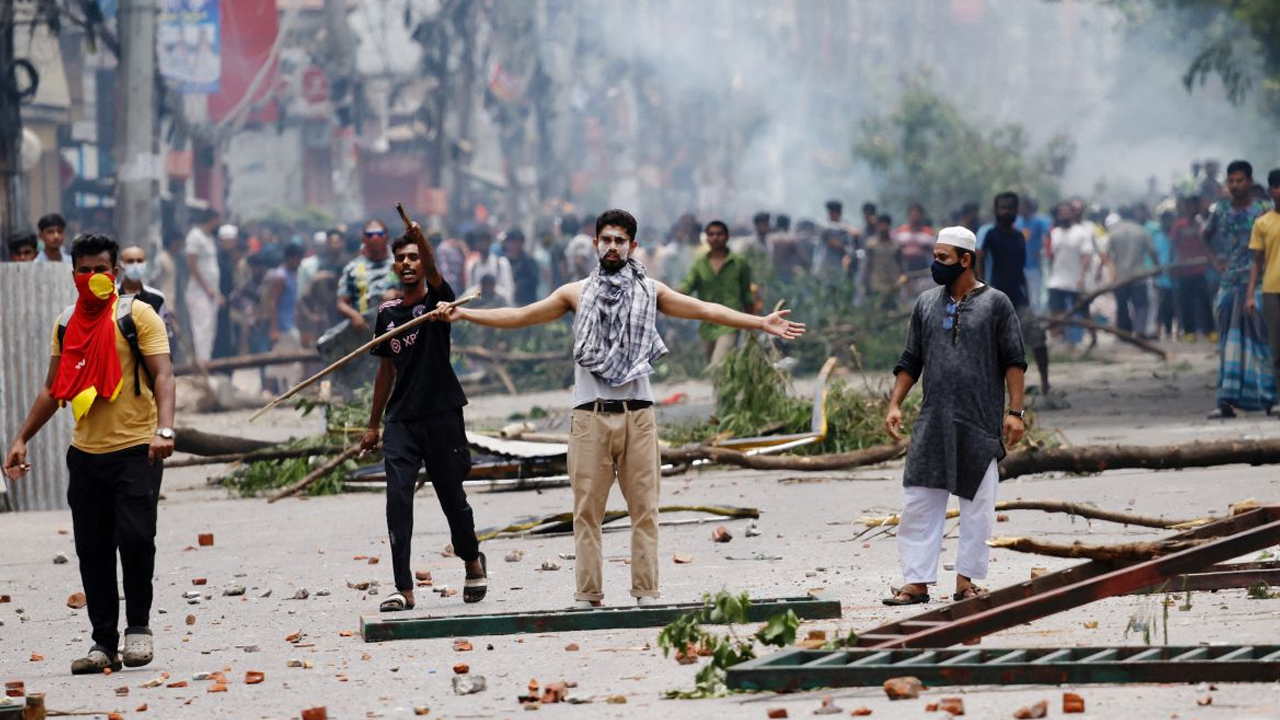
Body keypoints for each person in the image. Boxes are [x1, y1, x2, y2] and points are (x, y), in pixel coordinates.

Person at [432, 209, 805, 608]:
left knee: (644, 509)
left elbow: (704, 309)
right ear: (596, 244)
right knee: (587, 513)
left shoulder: (652, 290)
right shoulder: (573, 293)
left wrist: (759, 322)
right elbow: (521, 316)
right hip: (589, 416)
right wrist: (464, 313)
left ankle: (646, 592)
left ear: (632, 246)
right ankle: (588, 595)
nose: (612, 247)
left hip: (638, 415)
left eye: (620, 241)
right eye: (606, 239)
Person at [4, 233, 175, 675]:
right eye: (85, 270)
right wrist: (22, 437)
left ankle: (138, 628)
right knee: (93, 550)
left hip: (137, 449)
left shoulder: (138, 316)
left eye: (101, 269)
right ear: (73, 274)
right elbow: (52, 388)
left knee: (136, 540)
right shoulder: (66, 322)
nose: (93, 277)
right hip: (85, 454)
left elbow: (164, 377)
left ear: (114, 273)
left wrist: (165, 429)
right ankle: (103, 642)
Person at [882, 226, 1026, 606]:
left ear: (966, 259)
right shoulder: (926, 303)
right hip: (932, 421)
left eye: (942, 258)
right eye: (934, 256)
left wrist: (1015, 412)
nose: (935, 264)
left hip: (978, 422)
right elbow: (911, 359)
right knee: (918, 501)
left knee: (978, 508)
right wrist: (895, 403)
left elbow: (1014, 361)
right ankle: (916, 582)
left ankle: (967, 582)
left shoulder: (997, 304)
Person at [360, 225, 487, 612]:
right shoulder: (386, 314)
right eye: (401, 258)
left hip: (442, 413)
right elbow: (385, 372)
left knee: (452, 497)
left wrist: (423, 240)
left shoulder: (439, 303)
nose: (407, 263)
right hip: (402, 419)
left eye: (414, 256)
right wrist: (373, 424)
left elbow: (434, 273)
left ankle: (471, 559)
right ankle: (404, 588)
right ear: (394, 267)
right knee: (397, 498)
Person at [1204, 160, 1276, 417]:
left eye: (1240, 180)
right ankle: (1226, 400)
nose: (1235, 185)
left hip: (1261, 282)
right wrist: (1217, 264)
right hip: (1231, 283)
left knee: (1264, 340)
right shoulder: (1221, 210)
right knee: (1229, 342)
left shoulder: (1264, 209)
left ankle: (1270, 398)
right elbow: (1206, 237)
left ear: (1249, 181)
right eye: (1231, 181)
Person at [978, 192, 1052, 397]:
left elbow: (1020, 269)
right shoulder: (989, 235)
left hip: (1018, 298)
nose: (1007, 211)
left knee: (1037, 336)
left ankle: (1045, 383)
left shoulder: (1019, 236)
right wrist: (982, 288)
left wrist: (1026, 293)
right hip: (993, 298)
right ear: (995, 210)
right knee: (991, 345)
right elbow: (979, 260)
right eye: (1003, 207)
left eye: (1011, 207)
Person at [681, 220, 753, 365]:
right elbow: (687, 287)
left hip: (730, 321)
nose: (715, 237)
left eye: (719, 234)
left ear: (726, 237)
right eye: (711, 234)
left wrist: (752, 323)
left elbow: (747, 294)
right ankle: (727, 388)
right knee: (714, 366)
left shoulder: (739, 263)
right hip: (707, 322)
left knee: (718, 364)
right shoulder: (699, 265)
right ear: (706, 238)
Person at [1246, 168, 1280, 417]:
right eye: (1276, 186)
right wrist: (1249, 295)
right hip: (1271, 289)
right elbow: (1256, 262)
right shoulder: (1263, 222)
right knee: (1276, 347)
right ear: (1270, 191)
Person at [1045, 203, 1099, 347]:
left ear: (1072, 214)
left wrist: (1081, 276)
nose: (1064, 215)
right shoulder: (1055, 233)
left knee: (1083, 311)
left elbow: (1086, 256)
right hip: (1057, 280)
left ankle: (1093, 339)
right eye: (1061, 213)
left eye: (1067, 212)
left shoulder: (1081, 233)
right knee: (1056, 311)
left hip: (1075, 281)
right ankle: (1057, 341)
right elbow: (1052, 255)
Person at [337, 220, 400, 334]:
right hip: (364, 328)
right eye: (370, 235)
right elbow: (341, 302)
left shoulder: (399, 262)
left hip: (396, 325)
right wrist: (354, 315)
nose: (375, 238)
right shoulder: (353, 268)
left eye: (379, 234)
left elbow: (419, 292)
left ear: (386, 237)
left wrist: (397, 294)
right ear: (364, 239)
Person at [1106, 206, 1159, 336]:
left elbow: (1107, 255)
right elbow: (1152, 251)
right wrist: (1157, 267)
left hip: (1120, 276)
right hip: (1139, 276)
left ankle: (1124, 332)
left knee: (1122, 306)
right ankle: (1140, 330)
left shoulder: (1114, 232)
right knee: (1140, 305)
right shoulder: (1141, 231)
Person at [1170, 195, 1216, 341]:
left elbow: (1206, 246)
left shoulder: (1201, 224)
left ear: (1198, 207)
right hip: (1184, 270)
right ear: (1185, 207)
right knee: (1186, 302)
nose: (1191, 209)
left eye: (1194, 206)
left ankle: (1210, 330)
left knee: (1204, 301)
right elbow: (1173, 246)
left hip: (1200, 270)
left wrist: (1213, 262)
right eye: (1188, 206)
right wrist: (1172, 264)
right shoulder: (1178, 225)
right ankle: (1189, 332)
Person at [263, 243, 306, 393]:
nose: (300, 262)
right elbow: (273, 303)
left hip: (290, 323)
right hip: (282, 325)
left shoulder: (292, 275)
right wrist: (274, 328)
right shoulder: (280, 276)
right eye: (299, 259)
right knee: (282, 358)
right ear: (291, 258)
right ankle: (269, 389)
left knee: (284, 359)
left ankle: (283, 389)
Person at [118, 245, 176, 348]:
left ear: (145, 264)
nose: (135, 265)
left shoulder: (157, 298)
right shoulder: (111, 296)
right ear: (121, 264)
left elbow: (165, 336)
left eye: (139, 261)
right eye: (130, 261)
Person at [184, 211, 222, 363]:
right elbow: (192, 264)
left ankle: (207, 360)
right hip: (199, 291)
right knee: (202, 327)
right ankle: (202, 362)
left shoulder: (210, 239)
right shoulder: (195, 236)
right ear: (211, 220)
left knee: (211, 328)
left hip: (212, 292)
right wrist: (206, 287)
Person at [862, 214, 905, 309]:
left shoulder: (896, 245)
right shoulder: (871, 245)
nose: (883, 228)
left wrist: (901, 280)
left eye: (885, 225)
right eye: (881, 225)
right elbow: (867, 265)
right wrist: (864, 284)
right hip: (877, 284)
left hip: (892, 284)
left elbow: (901, 265)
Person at [464, 227, 514, 305]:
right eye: (479, 241)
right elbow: (469, 293)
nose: (482, 244)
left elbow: (508, 291)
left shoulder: (501, 263)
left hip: (498, 309)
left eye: (485, 241)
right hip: (478, 311)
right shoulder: (472, 266)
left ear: (490, 242)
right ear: (476, 244)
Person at [1151, 210, 1178, 339]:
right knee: (1161, 306)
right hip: (1161, 278)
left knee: (1174, 306)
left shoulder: (1176, 237)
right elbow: (1153, 256)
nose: (1167, 223)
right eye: (1164, 220)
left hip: (1176, 277)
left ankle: (1171, 331)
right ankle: (1158, 330)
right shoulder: (1157, 237)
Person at [504, 229, 541, 306]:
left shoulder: (529, 260)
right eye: (511, 242)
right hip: (509, 303)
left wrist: (518, 285)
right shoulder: (504, 261)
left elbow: (535, 279)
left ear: (522, 242)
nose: (513, 245)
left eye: (516, 242)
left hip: (527, 302)